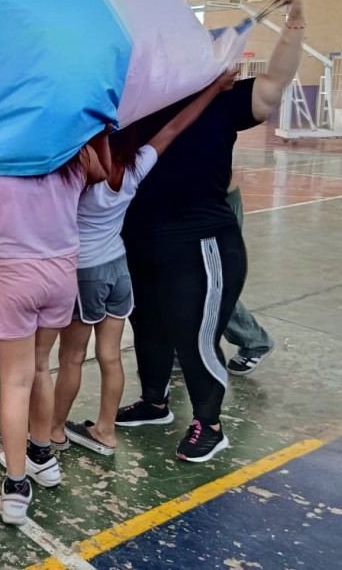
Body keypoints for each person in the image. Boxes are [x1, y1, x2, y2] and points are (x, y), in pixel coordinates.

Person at [117, 0, 306, 462]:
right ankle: (155, 402)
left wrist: (296, 19)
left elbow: (275, 83)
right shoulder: (135, 103)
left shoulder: (222, 99)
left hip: (199, 241)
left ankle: (210, 423)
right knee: (149, 328)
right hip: (139, 239)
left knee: (192, 333)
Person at [51, 74, 235, 457]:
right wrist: (214, 89)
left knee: (70, 358)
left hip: (85, 273)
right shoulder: (135, 169)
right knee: (111, 355)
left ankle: (53, 430)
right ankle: (105, 431)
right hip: (119, 269)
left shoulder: (80, 174)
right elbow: (175, 126)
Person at [0, 139, 108, 525]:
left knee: (15, 381)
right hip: (60, 271)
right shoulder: (75, 148)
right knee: (41, 368)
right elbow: (102, 172)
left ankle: (16, 485)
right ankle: (42, 457)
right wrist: (100, 129)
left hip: (12, 271)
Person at [223, 172, 275, 375]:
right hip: (174, 203)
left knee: (211, 283)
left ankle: (254, 341)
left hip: (211, 202)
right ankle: (178, 349)